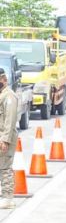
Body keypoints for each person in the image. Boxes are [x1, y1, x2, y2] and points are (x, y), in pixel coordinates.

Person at [0, 68, 19, 210]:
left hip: (5, 137)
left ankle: (8, 198)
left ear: (4, 80)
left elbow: (10, 119)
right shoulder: (2, 95)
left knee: (5, 166)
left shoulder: (9, 96)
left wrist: (5, 140)